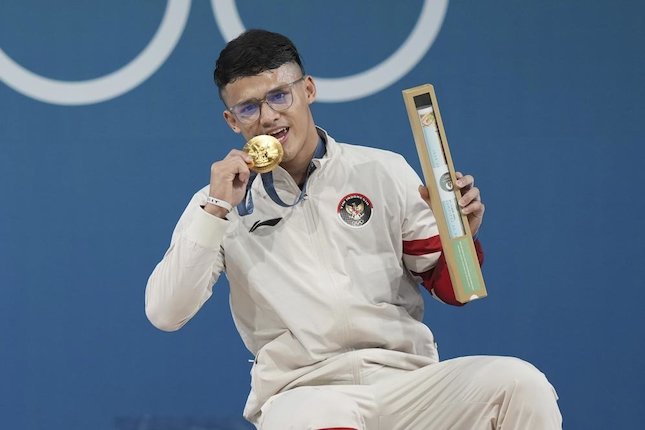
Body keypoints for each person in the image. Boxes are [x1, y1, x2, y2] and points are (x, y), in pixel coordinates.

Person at [145, 29, 562, 430]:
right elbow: (165, 313)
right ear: (232, 121)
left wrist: (461, 237)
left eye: (279, 95)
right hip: (303, 392)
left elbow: (455, 290)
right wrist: (216, 209)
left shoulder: (381, 170)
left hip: (407, 385)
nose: (269, 116)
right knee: (323, 416)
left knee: (519, 385)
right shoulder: (221, 202)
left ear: (307, 90)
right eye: (249, 108)